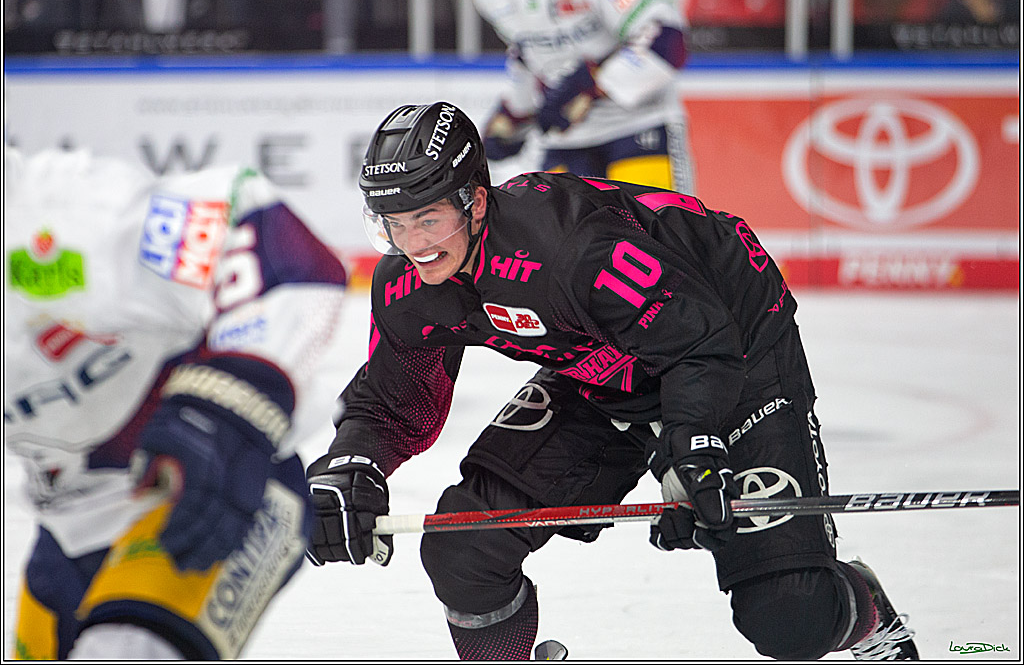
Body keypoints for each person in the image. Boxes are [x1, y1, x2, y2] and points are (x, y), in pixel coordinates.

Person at [304, 101, 920, 661]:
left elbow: (699, 341)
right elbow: (394, 405)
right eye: (394, 223)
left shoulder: (569, 248)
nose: (414, 244)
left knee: (791, 618)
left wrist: (692, 447)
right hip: (602, 368)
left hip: (733, 349)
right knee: (464, 551)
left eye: (429, 219)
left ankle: (869, 614)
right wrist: (353, 464)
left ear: (477, 202)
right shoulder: (406, 287)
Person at [5, 146, 349, 659]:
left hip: (213, 482)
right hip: (69, 528)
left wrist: (227, 408)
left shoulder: (61, 212)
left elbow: (261, 226)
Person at [471, 0, 695, 194]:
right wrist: (516, 113)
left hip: (640, 128)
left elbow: (667, 41)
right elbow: (526, 52)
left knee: (659, 222)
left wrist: (591, 86)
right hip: (565, 143)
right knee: (558, 224)